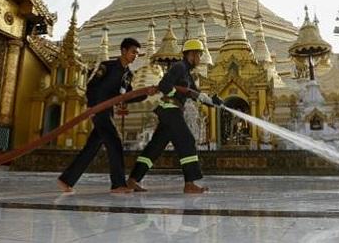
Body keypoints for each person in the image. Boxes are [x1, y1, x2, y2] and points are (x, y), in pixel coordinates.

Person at [57, 38, 156, 194]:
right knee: (115, 142)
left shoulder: (128, 75)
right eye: (133, 52)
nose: (135, 56)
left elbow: (127, 96)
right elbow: (91, 86)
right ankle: (117, 184)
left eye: (137, 53)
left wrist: (145, 94)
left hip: (108, 112)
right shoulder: (107, 67)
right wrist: (92, 107)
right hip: (99, 110)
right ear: (123, 51)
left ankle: (66, 180)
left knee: (91, 148)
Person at [127, 39, 222, 194]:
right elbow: (164, 85)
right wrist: (178, 93)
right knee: (187, 140)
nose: (199, 59)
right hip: (170, 110)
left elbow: (196, 94)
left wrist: (212, 101)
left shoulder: (188, 74)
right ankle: (189, 183)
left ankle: (132, 180)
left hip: (171, 112)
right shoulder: (179, 67)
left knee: (155, 147)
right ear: (191, 55)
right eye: (198, 55)